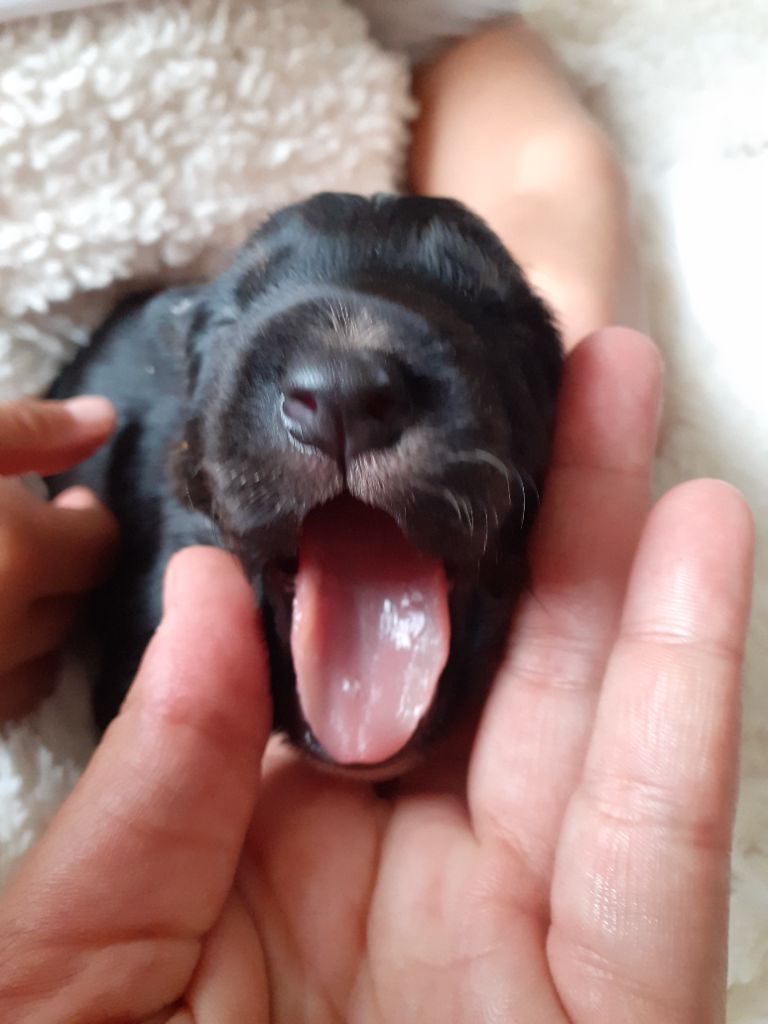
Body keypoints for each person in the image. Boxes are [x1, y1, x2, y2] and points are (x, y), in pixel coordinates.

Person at [0, 18, 754, 1024]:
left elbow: (515, 119)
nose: (341, 385)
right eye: (247, 308)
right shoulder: (159, 599)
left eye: (491, 312)